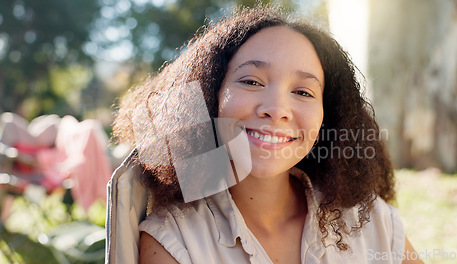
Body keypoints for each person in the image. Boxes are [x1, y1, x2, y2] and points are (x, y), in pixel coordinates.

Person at [112, 5, 424, 264]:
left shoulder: (369, 220)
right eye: (251, 82)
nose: (277, 109)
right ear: (210, 96)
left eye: (303, 91)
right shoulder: (172, 241)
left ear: (327, 117)